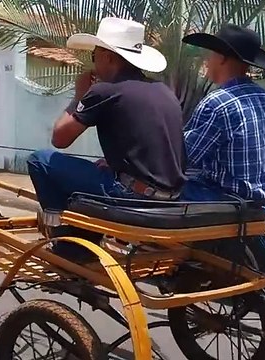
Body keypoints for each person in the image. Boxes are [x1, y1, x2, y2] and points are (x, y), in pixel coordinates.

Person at [27, 17, 186, 263]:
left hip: (133, 197)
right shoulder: (163, 91)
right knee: (95, 169)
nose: (94, 63)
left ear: (108, 57)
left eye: (94, 56)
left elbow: (59, 138)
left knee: (40, 160)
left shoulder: (105, 91)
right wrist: (116, 164)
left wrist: (79, 96)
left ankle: (69, 245)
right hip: (172, 198)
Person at [181, 24, 265, 202]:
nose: (207, 60)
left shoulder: (217, 103)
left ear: (221, 58)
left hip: (222, 199)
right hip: (260, 202)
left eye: (211, 54)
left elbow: (184, 156)